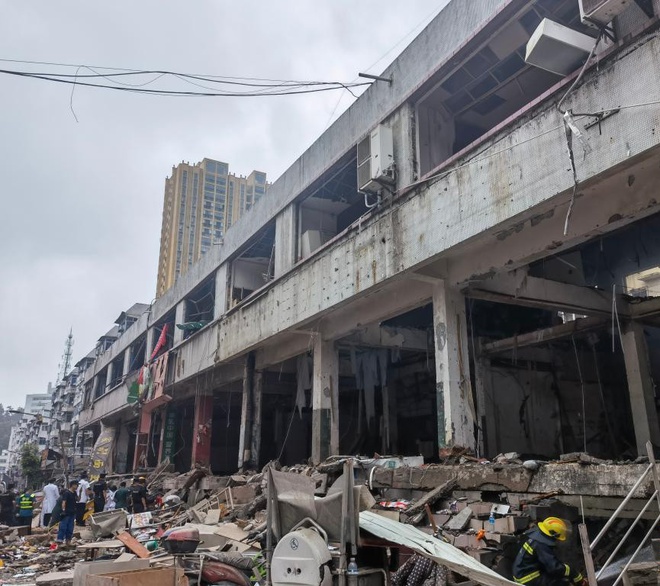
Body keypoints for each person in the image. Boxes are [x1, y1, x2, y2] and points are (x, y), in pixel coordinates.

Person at [513, 517, 586, 586]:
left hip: (523, 573)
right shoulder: (541, 545)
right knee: (562, 583)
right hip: (527, 578)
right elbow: (555, 568)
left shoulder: (537, 538)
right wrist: (574, 573)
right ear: (554, 535)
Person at [57, 480, 78, 546]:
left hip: (72, 513)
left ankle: (68, 541)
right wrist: (63, 510)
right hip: (66, 513)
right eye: (76, 485)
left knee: (70, 528)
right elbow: (64, 502)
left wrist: (80, 493)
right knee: (63, 527)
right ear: (72, 485)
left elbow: (77, 500)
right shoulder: (67, 493)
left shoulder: (74, 493)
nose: (77, 486)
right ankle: (60, 540)